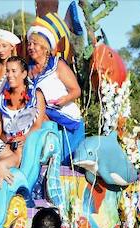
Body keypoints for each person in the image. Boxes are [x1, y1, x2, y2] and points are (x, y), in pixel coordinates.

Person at [26, 15, 84, 157]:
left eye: (35, 44)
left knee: (68, 164)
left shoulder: (57, 64)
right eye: (29, 44)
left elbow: (76, 90)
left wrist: (65, 99)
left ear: (46, 47)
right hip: (43, 121)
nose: (31, 47)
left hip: (68, 122)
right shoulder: (27, 69)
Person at [0, 56, 48, 161]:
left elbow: (37, 125)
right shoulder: (1, 99)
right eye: (7, 71)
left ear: (24, 74)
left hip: (30, 145)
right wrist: (9, 141)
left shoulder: (36, 95)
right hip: (7, 148)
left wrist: (25, 137)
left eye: (14, 71)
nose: (9, 75)